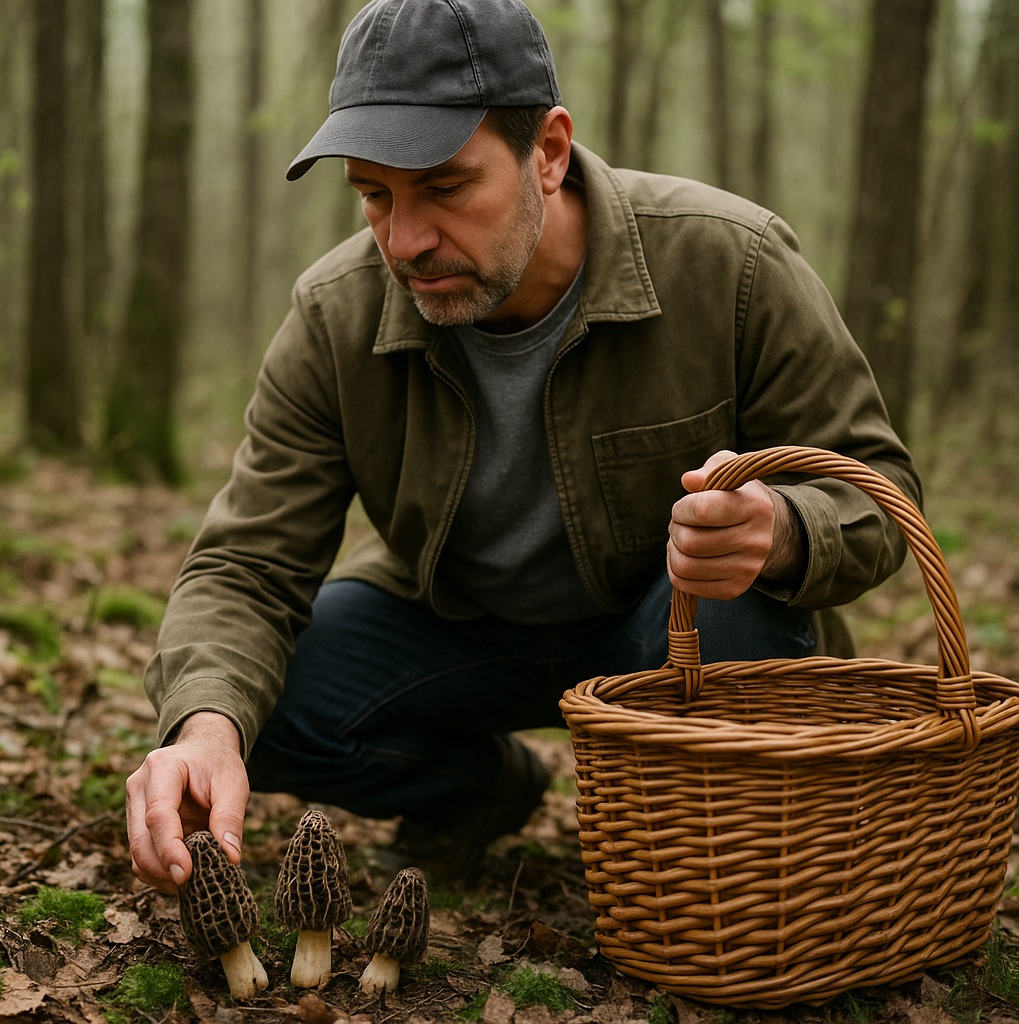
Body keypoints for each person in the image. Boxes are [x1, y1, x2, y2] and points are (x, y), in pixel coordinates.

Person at [125, 0, 921, 894]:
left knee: (734, 605)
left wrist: (782, 528)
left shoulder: (729, 264)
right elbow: (245, 564)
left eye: (446, 187)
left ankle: (702, 846)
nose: (405, 239)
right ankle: (480, 790)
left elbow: (882, 495)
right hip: (461, 628)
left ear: (547, 151)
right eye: (375, 195)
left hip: (677, 636)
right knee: (246, 702)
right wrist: (202, 733)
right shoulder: (334, 316)